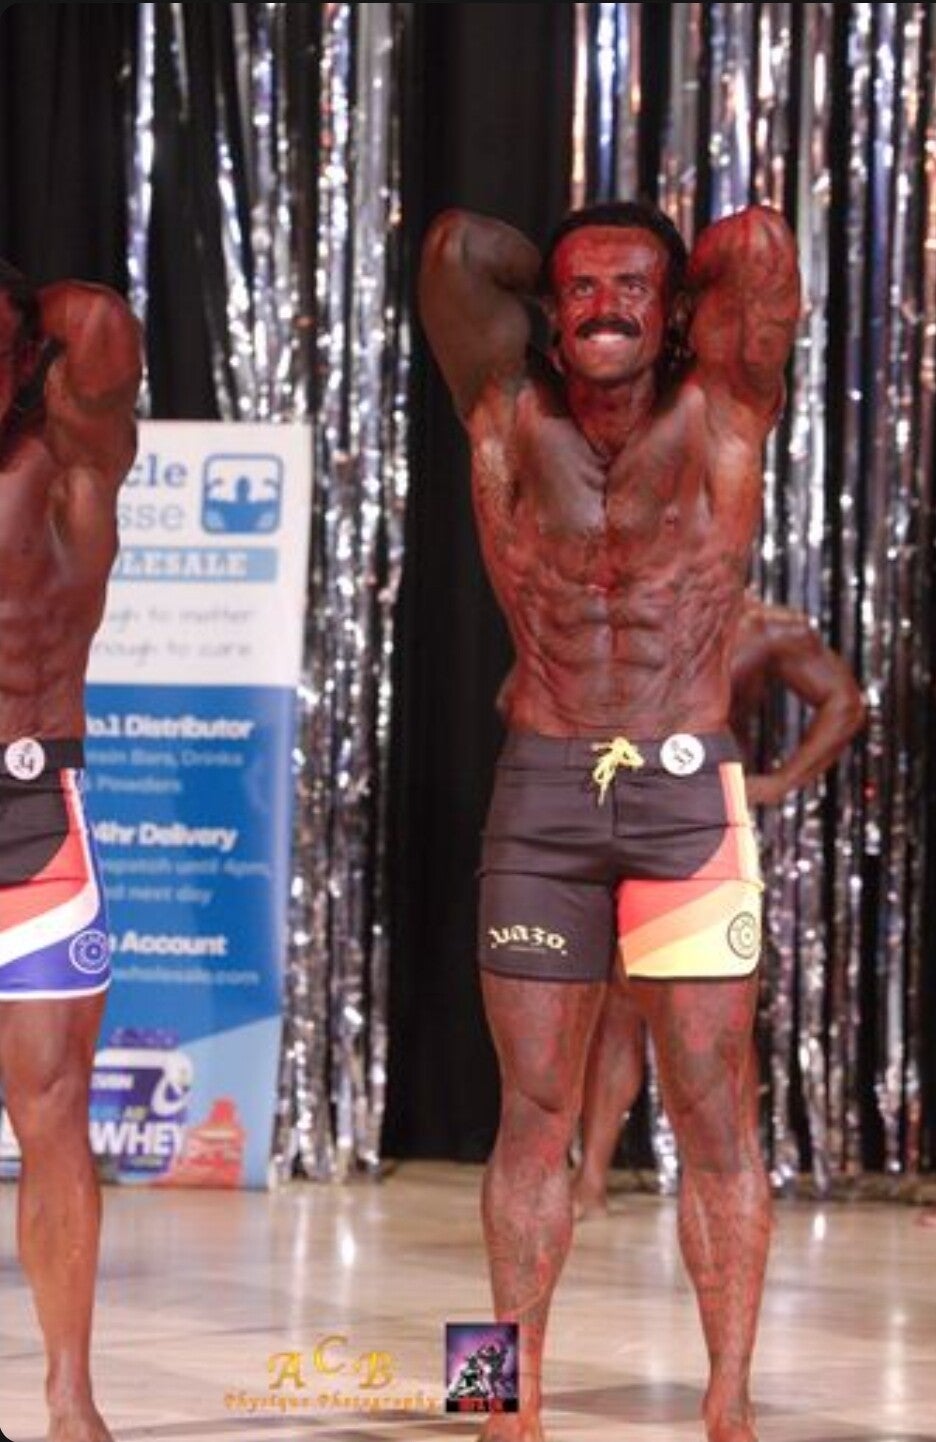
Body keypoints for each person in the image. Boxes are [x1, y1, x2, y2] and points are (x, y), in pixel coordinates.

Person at [419, 197, 800, 1442]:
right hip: (544, 786)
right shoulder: (503, 412)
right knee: (529, 1109)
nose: (605, 306)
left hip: (687, 789)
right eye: (582, 288)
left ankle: (729, 1401)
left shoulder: (723, 409)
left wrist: (660, 279)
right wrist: (567, 279)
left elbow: (763, 244)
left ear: (679, 311)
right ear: (547, 309)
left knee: (713, 1105)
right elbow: (453, 250)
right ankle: (496, 1399)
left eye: (633, 288)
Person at [573, 594, 867, 1220]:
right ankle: (590, 1179)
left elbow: (845, 702)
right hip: (621, 822)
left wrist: (781, 781)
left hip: (707, 827)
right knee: (619, 1001)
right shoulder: (618, 614)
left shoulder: (766, 628)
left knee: (716, 1005)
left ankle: (726, 1180)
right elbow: (522, 694)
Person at [0, 259, 142, 1442]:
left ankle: (67, 1394)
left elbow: (95, 320)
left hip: (28, 805)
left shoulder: (71, 465)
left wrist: (28, 324)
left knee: (51, 1101)